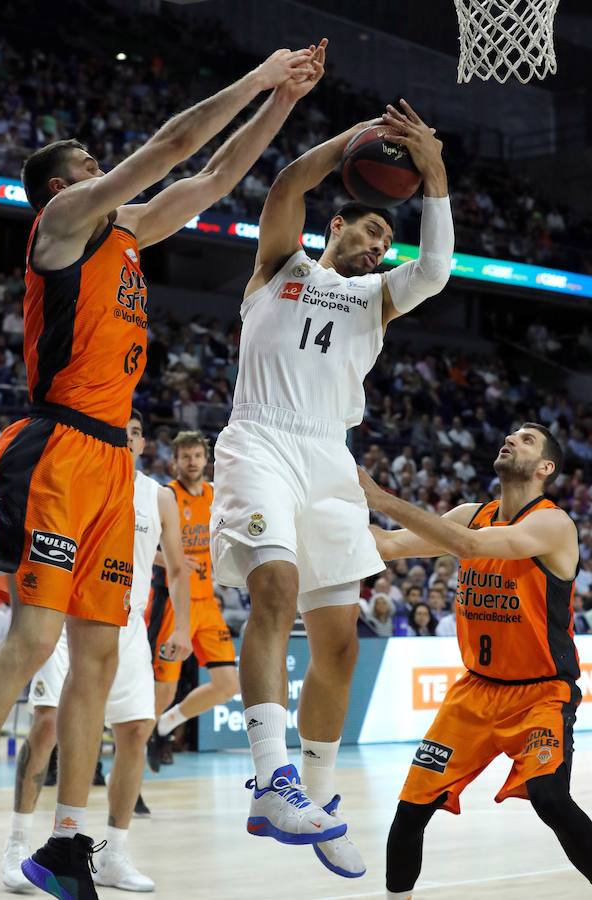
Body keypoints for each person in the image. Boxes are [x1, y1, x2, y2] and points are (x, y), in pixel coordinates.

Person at [0, 42, 326, 899]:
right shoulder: (61, 228)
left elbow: (214, 175)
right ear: (65, 187)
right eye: (94, 165)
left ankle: (67, 842)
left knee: (98, 658)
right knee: (33, 641)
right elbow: (175, 145)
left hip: (112, 462)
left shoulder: (132, 234)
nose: (111, 172)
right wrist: (256, 74)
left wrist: (283, 99)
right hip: (58, 446)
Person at [209, 96, 453, 876]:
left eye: (386, 237)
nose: (378, 244)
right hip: (262, 438)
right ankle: (271, 777)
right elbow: (284, 185)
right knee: (274, 588)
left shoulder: (378, 299)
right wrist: (355, 138)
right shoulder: (281, 268)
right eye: (369, 229)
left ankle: (313, 795)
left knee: (340, 644)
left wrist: (435, 172)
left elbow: (438, 269)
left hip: (330, 458)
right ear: (336, 230)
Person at [359, 423, 592, 897]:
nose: (510, 439)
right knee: (411, 809)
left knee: (549, 799)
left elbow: (470, 548)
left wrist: (380, 496)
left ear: (546, 467)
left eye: (526, 439)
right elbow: (385, 545)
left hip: (542, 693)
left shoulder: (553, 523)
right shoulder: (471, 514)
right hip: (475, 690)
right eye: (510, 435)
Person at [2, 410, 190, 893]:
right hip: (68, 621)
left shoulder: (158, 495)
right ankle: (17, 843)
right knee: (45, 724)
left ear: (143, 443)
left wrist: (183, 626)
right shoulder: (81, 472)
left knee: (135, 732)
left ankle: (114, 854)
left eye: (132, 433)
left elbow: (177, 568)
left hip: (126, 627)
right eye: (117, 429)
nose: (123, 438)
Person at [146, 431, 239, 762]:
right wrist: (167, 559)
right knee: (163, 690)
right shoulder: (165, 496)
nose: (192, 462)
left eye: (197, 456)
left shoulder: (214, 495)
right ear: (174, 461)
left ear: (206, 460)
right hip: (172, 602)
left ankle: (166, 724)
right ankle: (133, 770)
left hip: (207, 601)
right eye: (185, 456)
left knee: (228, 684)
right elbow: (137, 541)